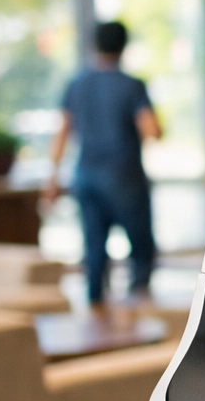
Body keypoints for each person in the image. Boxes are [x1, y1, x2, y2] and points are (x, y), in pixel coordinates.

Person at [46, 21, 161, 307]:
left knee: (94, 250)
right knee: (141, 250)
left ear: (94, 45)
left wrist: (52, 177)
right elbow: (152, 131)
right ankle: (138, 316)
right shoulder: (131, 85)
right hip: (124, 178)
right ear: (123, 47)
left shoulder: (76, 84)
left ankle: (95, 317)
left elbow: (62, 134)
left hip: (85, 176)